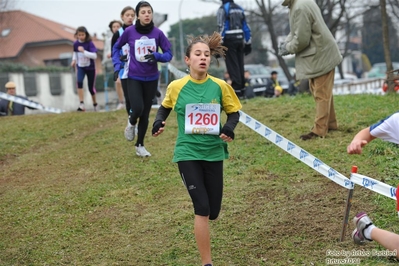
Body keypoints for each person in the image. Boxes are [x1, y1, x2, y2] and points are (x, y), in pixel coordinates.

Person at [151, 32, 242, 266]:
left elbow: (234, 113)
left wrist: (229, 129)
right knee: (201, 208)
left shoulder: (220, 86)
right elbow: (164, 108)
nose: (203, 58)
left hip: (213, 153)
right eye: (198, 54)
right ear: (188, 60)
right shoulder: (176, 86)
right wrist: (158, 122)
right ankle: (207, 263)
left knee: (213, 211)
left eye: (207, 55)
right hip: (187, 153)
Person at [112, 1, 172, 157]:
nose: (147, 15)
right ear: (138, 15)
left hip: (151, 78)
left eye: (149, 12)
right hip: (134, 76)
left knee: (145, 113)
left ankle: (140, 145)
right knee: (137, 108)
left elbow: (168, 53)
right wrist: (118, 63)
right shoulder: (129, 32)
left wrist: (157, 56)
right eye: (143, 12)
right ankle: (131, 123)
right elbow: (116, 47)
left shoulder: (158, 33)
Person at [278, 0, 342, 140]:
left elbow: (301, 39)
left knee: (321, 93)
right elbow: (297, 30)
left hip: (321, 54)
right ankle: (330, 124)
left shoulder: (299, 7)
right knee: (321, 91)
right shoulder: (301, 2)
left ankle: (319, 130)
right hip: (319, 53)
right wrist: (286, 43)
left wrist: (288, 48)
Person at [347, 112, 399, 258]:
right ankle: (368, 230)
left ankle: (367, 229)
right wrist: (357, 141)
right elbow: (367, 132)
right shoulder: (397, 121)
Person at [217, 0, 251, 97]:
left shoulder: (222, 9)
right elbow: (246, 26)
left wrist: (219, 44)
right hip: (240, 39)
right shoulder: (239, 8)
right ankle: (242, 89)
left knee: (232, 65)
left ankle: (237, 90)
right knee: (240, 64)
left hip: (229, 39)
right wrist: (248, 42)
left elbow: (221, 26)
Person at [111, 6, 136, 114]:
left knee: (138, 94)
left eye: (132, 15)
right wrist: (119, 59)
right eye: (127, 15)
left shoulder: (138, 30)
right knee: (129, 96)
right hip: (124, 68)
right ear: (122, 17)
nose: (130, 18)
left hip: (137, 67)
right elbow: (114, 52)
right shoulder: (118, 34)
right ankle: (131, 120)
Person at [71, 26, 98, 112]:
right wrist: (74, 60)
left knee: (91, 88)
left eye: (83, 35)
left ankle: (95, 104)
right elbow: (75, 53)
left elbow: (95, 56)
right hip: (80, 67)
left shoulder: (89, 43)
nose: (81, 36)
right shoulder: (75, 44)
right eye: (79, 35)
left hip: (90, 68)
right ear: (77, 35)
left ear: (86, 35)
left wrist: (84, 51)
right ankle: (81, 104)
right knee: (79, 82)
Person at [103, 19, 126, 110]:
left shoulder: (125, 36)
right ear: (111, 29)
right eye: (114, 27)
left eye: (118, 26)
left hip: (127, 61)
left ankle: (129, 100)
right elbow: (108, 51)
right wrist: (110, 54)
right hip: (117, 63)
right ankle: (121, 102)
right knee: (118, 82)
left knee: (128, 82)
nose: (116, 28)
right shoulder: (109, 40)